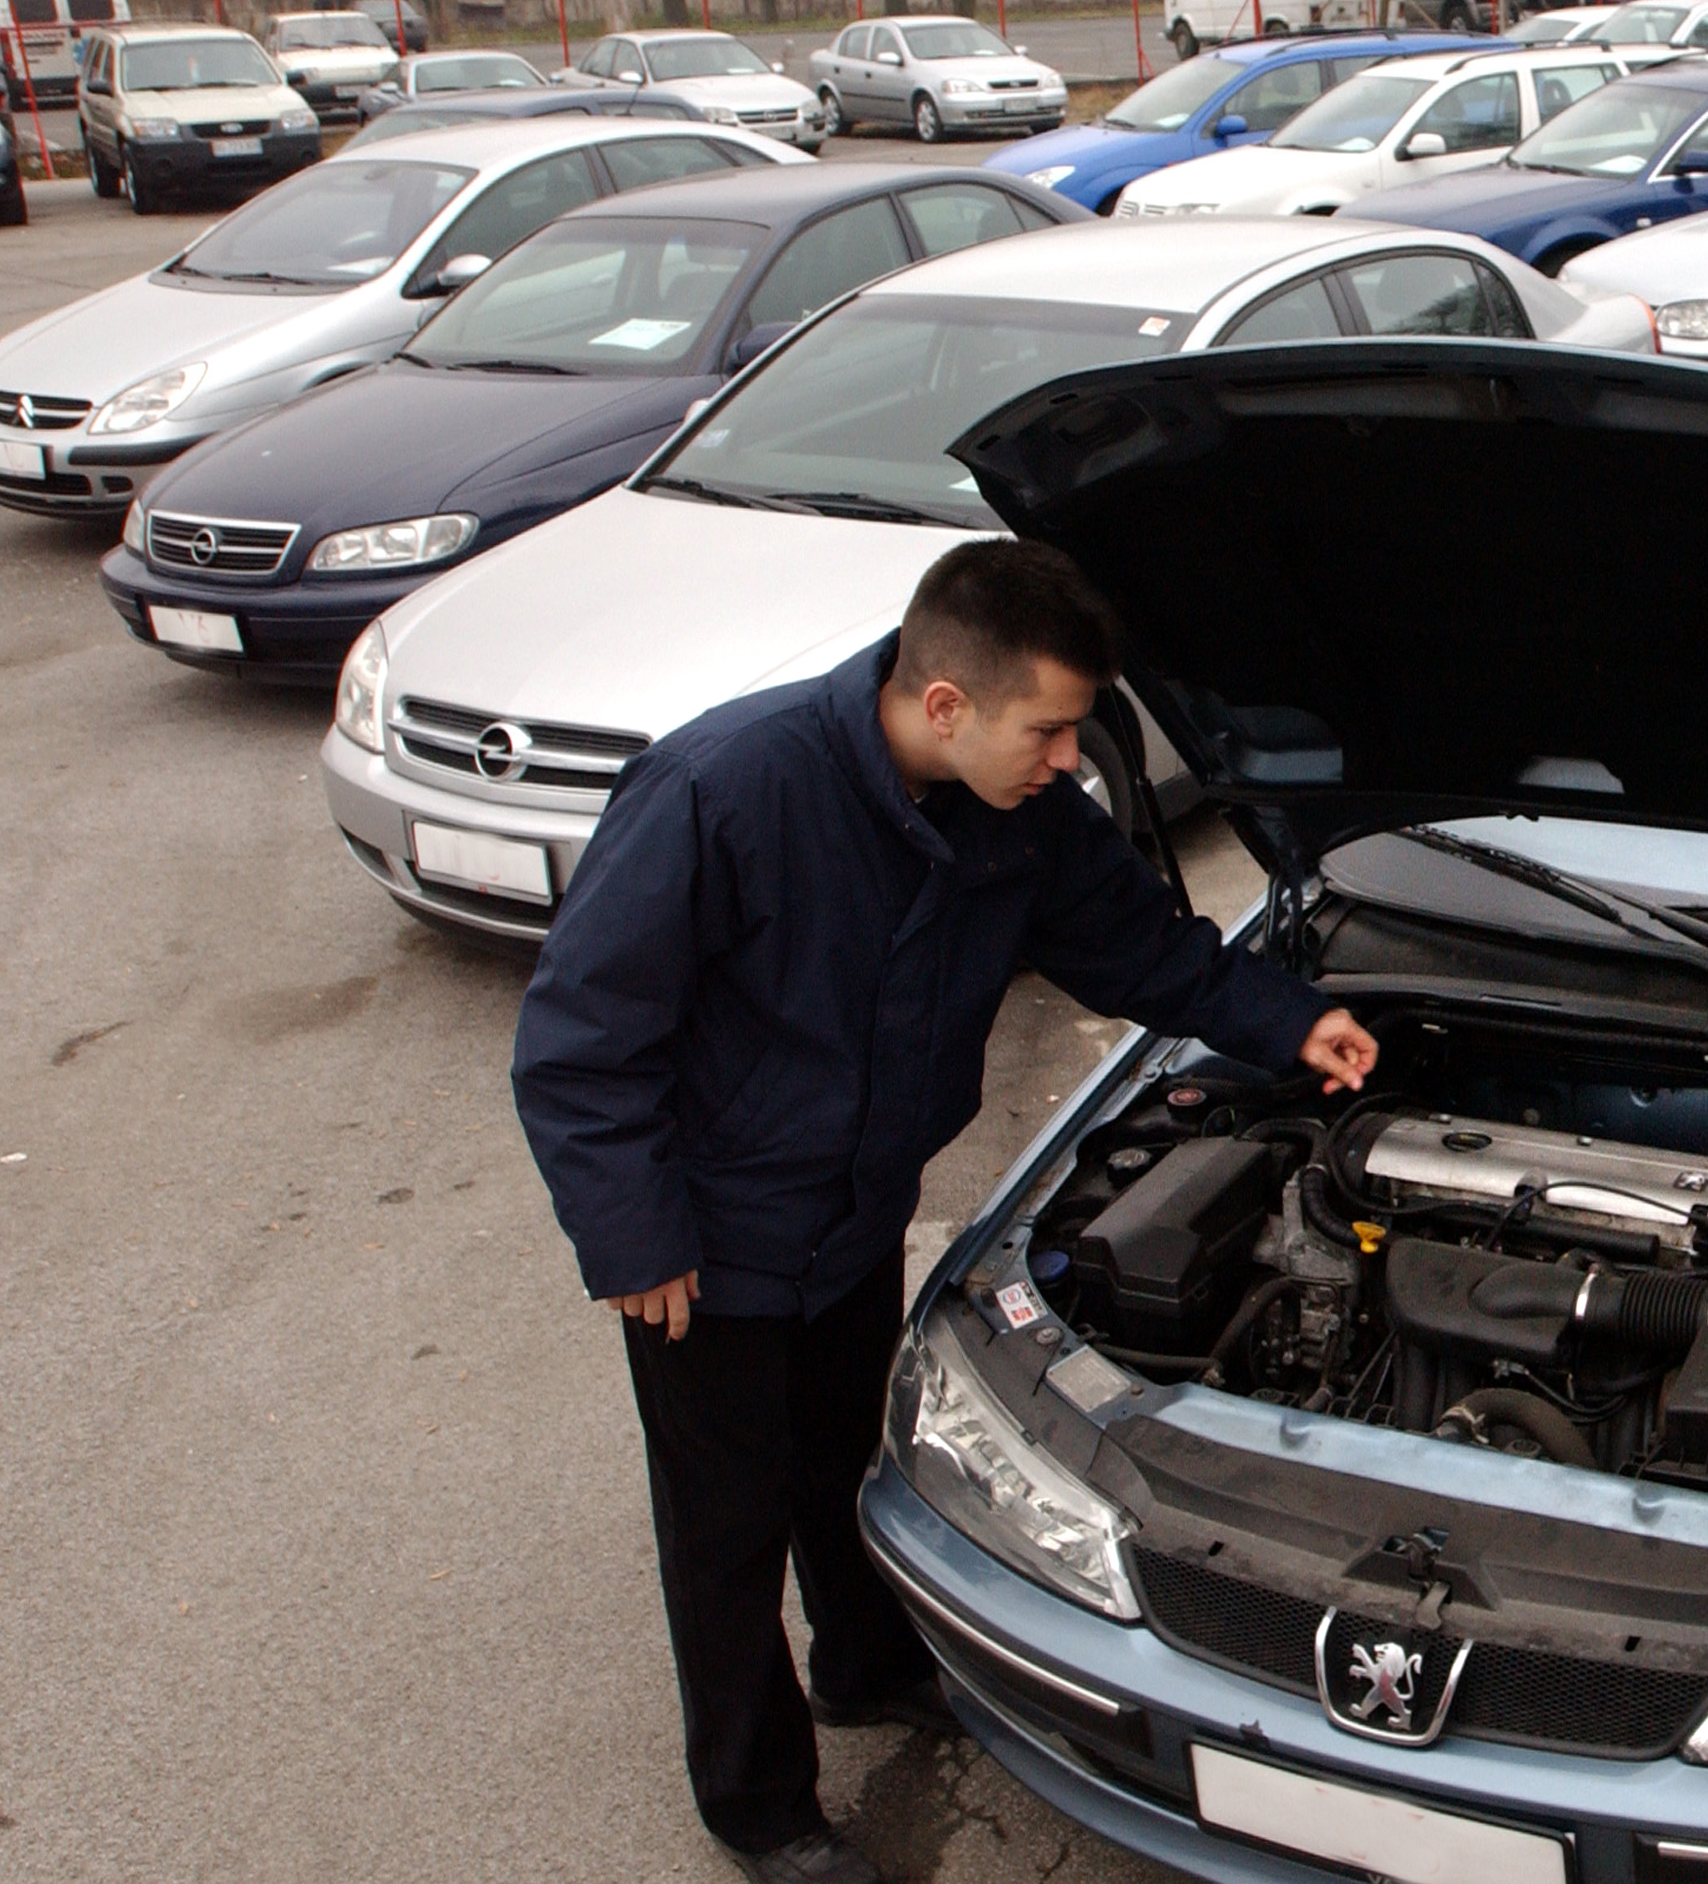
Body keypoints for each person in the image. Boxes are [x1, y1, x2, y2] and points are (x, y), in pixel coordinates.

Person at [512, 540, 1376, 1884]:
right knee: (726, 1525)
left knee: (843, 1461)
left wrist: (1292, 1019)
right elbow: (580, 1038)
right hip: (709, 1249)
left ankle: (864, 1667)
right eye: (1047, 729)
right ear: (946, 705)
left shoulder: (1020, 812)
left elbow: (1138, 946)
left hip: (854, 1213)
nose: (1065, 759)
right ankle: (759, 1807)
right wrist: (635, 1239)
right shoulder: (725, 789)